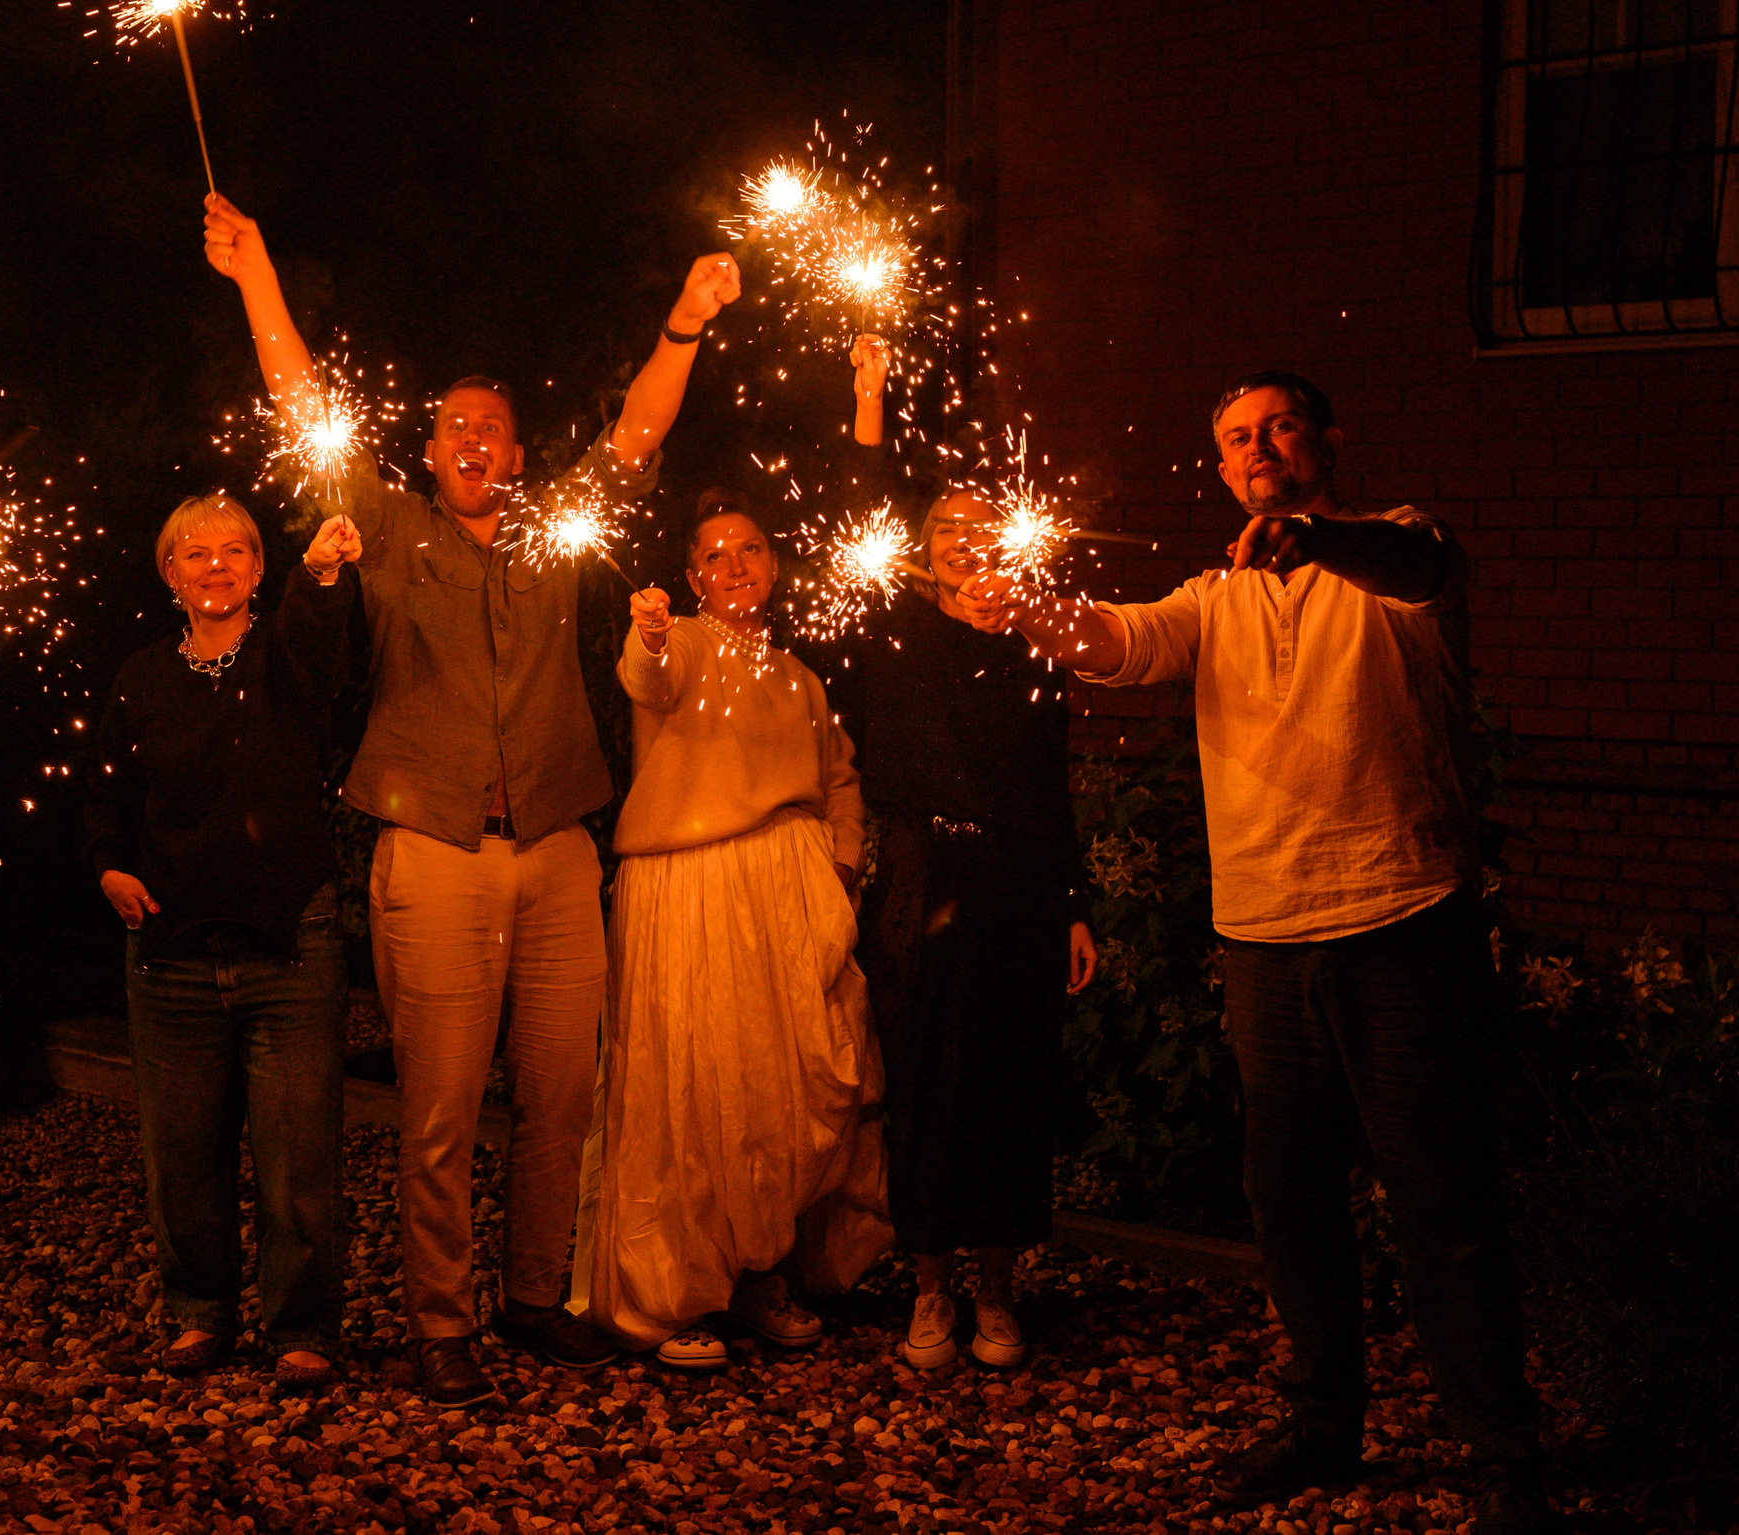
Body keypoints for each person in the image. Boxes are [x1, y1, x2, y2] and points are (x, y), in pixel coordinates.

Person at [203, 191, 742, 1406]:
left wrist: (686, 320)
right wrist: (255, 274)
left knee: (560, 1096)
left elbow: (638, 435)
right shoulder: (389, 527)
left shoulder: (558, 532)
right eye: (454, 426)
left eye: (493, 428)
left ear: (519, 453)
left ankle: (534, 1297)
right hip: (433, 848)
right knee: (441, 1108)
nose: (474, 440)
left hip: (556, 845)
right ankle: (440, 1319)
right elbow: (301, 404)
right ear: (430, 449)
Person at [1010, 373, 1550, 1534]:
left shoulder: (1395, 549)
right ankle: (1322, 1424)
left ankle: (1502, 1447)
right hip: (1263, 938)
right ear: (1219, 469)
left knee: (1441, 1196)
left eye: (1279, 426)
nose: (1257, 446)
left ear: (1326, 442)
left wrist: (1316, 539)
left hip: (1401, 918)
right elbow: (1118, 641)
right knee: (1291, 1200)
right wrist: (1024, 607)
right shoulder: (1212, 598)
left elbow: (1416, 567)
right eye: (1235, 438)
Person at [571, 495, 890, 1370]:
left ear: (774, 566)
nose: (734, 565)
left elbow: (841, 779)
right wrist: (649, 633)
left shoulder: (800, 676)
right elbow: (649, 676)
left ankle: (759, 1275)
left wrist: (840, 866)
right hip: (689, 891)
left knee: (779, 1089)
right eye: (714, 555)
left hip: (789, 892)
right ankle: (672, 1291)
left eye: (749, 549)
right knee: (691, 1089)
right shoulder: (681, 643)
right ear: (691, 578)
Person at [840, 336, 1098, 1372]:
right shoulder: (892, 632)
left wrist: (1073, 902)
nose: (962, 540)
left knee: (1006, 1086)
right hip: (919, 877)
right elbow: (856, 512)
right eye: (944, 526)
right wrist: (869, 398)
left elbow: (1050, 786)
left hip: (1015, 887)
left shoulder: (1035, 651)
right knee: (924, 1088)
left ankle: (996, 1288)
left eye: (979, 526)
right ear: (921, 545)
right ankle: (929, 1286)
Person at [84, 496, 363, 1389]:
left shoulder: (285, 655)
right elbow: (107, 790)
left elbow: (321, 638)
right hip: (171, 950)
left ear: (258, 567)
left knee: (298, 1156)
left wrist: (322, 575)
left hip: (289, 943)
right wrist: (108, 865)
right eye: (195, 553)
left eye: (234, 550)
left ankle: (302, 1323)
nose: (216, 565)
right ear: (169, 573)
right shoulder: (140, 676)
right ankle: (199, 1312)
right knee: (183, 1158)